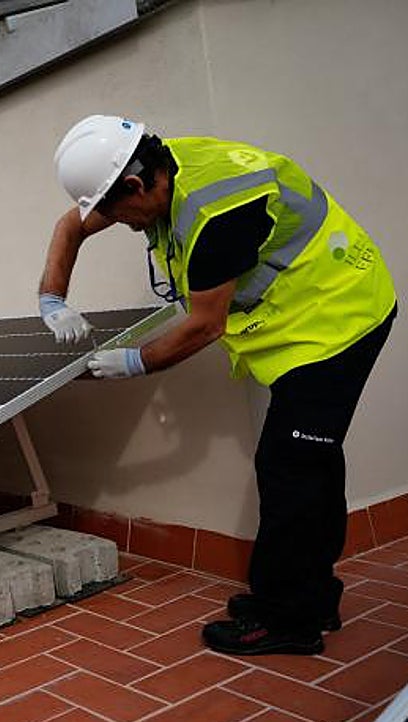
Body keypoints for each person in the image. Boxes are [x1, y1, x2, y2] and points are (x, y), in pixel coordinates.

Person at [40, 115, 397, 657]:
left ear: (135, 186)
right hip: (306, 324)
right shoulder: (154, 165)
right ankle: (311, 598)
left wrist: (133, 363)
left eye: (123, 214)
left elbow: (207, 324)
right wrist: (52, 298)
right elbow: (72, 225)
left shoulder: (216, 215)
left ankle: (289, 621)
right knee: (308, 465)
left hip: (340, 317)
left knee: (289, 467)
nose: (128, 226)